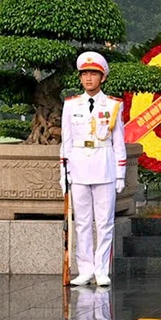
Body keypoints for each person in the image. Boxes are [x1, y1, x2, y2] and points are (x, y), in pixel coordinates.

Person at [60, 52, 126, 288]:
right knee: (82, 223)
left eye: (93, 74)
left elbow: (118, 142)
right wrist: (63, 173)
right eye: (85, 74)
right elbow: (66, 140)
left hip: (104, 167)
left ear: (102, 77)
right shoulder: (70, 105)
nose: (88, 78)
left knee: (104, 222)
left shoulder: (113, 105)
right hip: (78, 168)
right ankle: (85, 269)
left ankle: (101, 270)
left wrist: (120, 173)